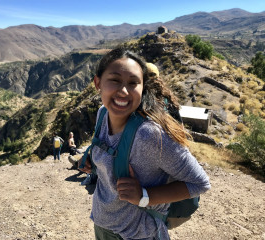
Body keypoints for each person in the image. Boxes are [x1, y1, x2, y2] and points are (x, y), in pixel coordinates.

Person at [79, 47, 211, 240]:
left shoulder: (149, 135)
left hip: (139, 234)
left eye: (133, 83)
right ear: (98, 83)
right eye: (114, 80)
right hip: (103, 225)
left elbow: (200, 183)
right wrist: (92, 162)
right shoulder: (102, 114)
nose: (123, 91)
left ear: (142, 88)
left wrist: (144, 196)